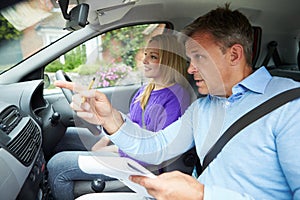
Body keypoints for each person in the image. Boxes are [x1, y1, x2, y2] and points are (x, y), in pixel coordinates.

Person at [54, 4, 300, 200]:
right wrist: (111, 119)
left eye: (199, 58)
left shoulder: (291, 105)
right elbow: (157, 145)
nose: (190, 69)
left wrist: (204, 195)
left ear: (234, 54)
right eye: (189, 58)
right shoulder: (203, 107)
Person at [47, 33, 195, 200]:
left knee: (57, 165)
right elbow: (133, 118)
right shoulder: (148, 88)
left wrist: (111, 148)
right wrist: (106, 137)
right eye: (145, 54)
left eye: (152, 57)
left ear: (169, 62)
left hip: (137, 163)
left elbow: (155, 151)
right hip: (127, 146)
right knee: (64, 137)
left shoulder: (176, 98)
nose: (144, 60)